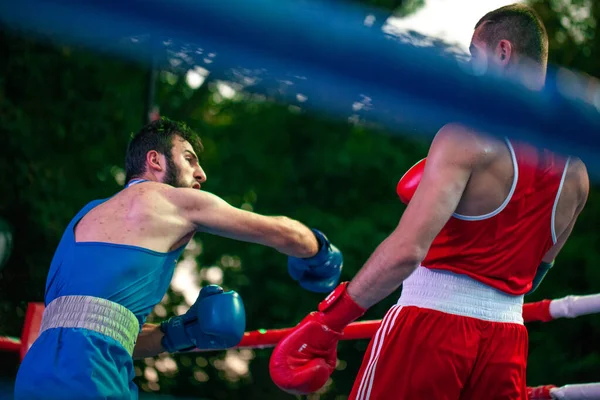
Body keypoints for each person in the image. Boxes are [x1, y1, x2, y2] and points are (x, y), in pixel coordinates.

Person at [269, 4, 590, 399]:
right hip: (507, 341)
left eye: (476, 56)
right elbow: (540, 269)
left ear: (503, 53)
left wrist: (330, 320)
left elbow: (407, 251)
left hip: (430, 326)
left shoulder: (468, 136)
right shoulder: (577, 171)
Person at [14, 118, 343, 400]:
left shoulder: (87, 214)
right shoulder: (175, 202)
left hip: (33, 374)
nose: (200, 174)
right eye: (189, 159)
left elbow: (94, 329)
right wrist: (319, 254)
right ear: (155, 161)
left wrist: (177, 334)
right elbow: (284, 234)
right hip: (93, 378)